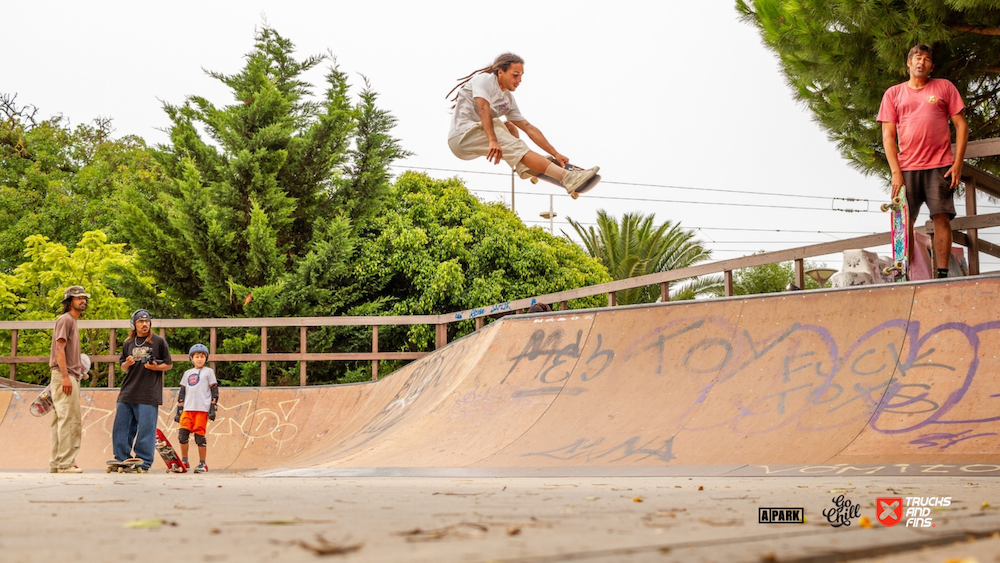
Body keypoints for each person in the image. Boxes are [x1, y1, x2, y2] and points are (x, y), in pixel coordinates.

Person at [447, 53, 599, 196]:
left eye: (521, 75)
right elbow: (483, 109)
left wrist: (555, 153)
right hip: (462, 136)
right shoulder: (484, 80)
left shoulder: (508, 100)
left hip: (472, 144)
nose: (519, 80)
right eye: (515, 75)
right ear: (500, 72)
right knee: (498, 127)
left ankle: (524, 166)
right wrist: (493, 140)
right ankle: (568, 178)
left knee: (510, 127)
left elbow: (529, 128)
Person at [877, 44, 968, 279]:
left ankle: (942, 274)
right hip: (907, 167)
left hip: (940, 165)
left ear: (932, 66)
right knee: (904, 220)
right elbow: (888, 137)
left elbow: (961, 125)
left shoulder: (944, 87)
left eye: (927, 59)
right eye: (917, 58)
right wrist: (895, 172)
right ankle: (902, 272)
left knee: (941, 217)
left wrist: (957, 164)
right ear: (908, 63)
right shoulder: (893, 93)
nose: (922, 62)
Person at [113, 309, 172, 472]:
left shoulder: (159, 342)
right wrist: (128, 363)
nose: (144, 324)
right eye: (140, 321)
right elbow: (122, 366)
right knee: (121, 426)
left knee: (146, 428)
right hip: (128, 391)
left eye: (147, 321)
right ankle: (121, 457)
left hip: (148, 392)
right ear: (134, 324)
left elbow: (169, 364)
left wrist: (156, 367)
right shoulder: (128, 343)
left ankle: (144, 460)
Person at [47, 285, 89, 473]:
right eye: (78, 298)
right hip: (64, 376)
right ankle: (66, 464)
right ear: (69, 301)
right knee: (70, 420)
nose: (83, 300)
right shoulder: (66, 320)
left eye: (84, 298)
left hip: (68, 374)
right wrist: (65, 376)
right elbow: (59, 349)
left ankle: (56, 463)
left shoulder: (71, 322)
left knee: (61, 419)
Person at [173, 344, 219, 473]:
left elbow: (214, 389)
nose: (199, 359)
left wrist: (213, 406)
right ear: (191, 358)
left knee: (199, 437)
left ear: (206, 358)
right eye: (197, 357)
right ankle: (184, 461)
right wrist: (179, 409)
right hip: (188, 409)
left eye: (202, 357)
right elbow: (182, 391)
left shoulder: (208, 372)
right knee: (182, 435)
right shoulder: (187, 373)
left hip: (202, 409)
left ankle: (202, 464)